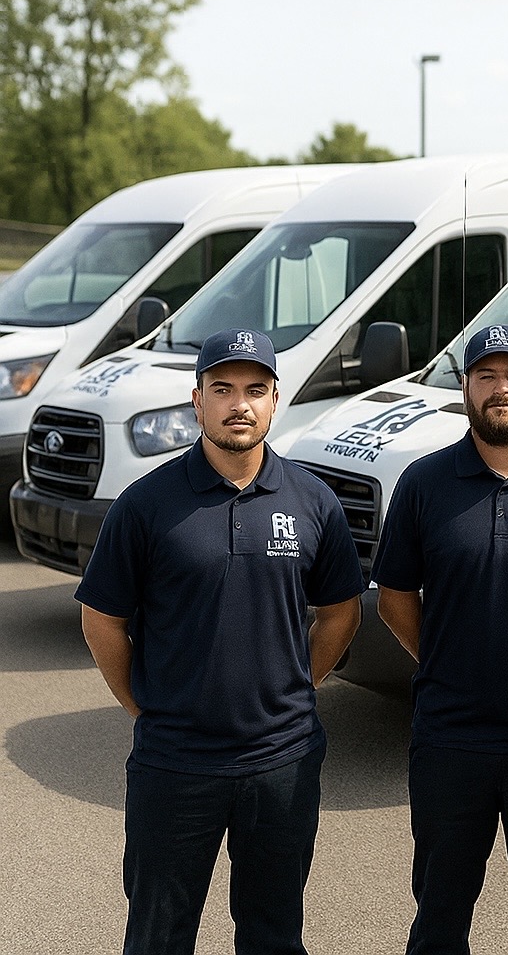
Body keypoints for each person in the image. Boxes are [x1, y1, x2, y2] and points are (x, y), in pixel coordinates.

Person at [77, 328, 364, 955]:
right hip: (175, 763)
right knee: (157, 937)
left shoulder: (313, 500)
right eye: (223, 389)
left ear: (275, 399)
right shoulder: (146, 504)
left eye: (255, 390)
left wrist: (292, 686)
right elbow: (101, 622)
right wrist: (147, 705)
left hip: (282, 762)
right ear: (197, 400)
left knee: (274, 936)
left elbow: (340, 615)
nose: (240, 405)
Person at [372, 324, 508, 955]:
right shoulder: (423, 483)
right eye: (486, 376)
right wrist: (445, 659)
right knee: (440, 916)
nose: (501, 390)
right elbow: (394, 599)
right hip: (451, 738)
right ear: (465, 387)